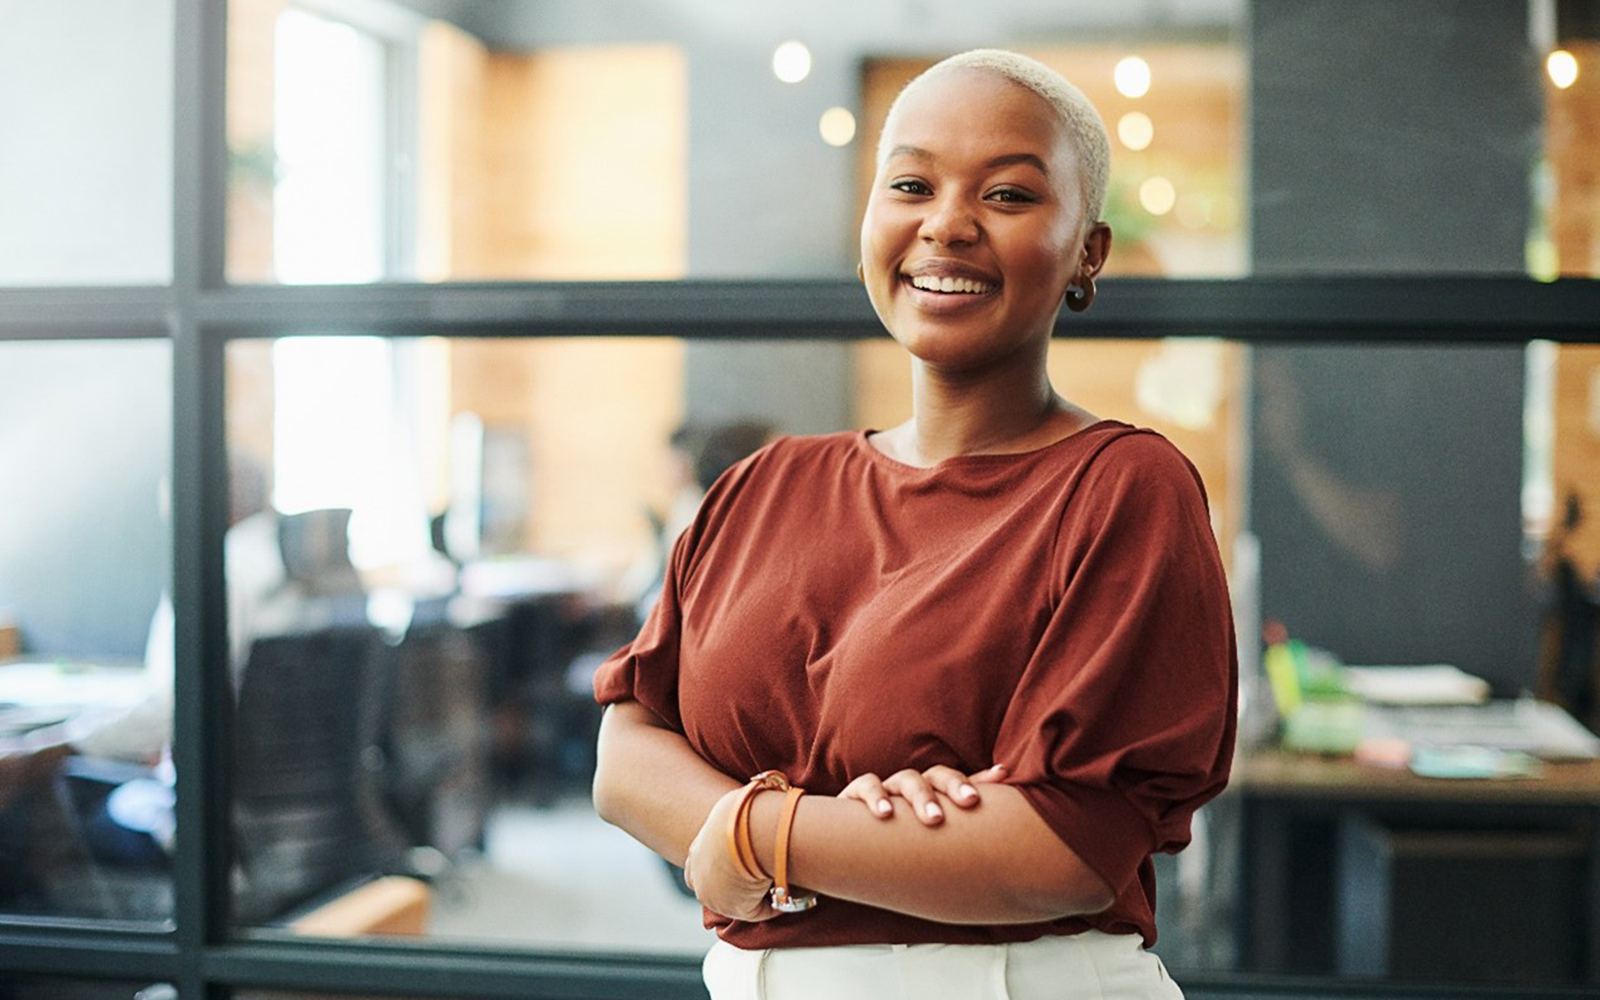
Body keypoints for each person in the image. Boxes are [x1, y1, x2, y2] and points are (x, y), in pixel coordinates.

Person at [591, 48, 1236, 1000]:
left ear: (1086, 253)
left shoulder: (1123, 489)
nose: (947, 224)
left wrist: (746, 832)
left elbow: (1058, 851)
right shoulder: (763, 485)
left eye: (1009, 196)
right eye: (910, 184)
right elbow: (626, 755)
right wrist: (850, 830)